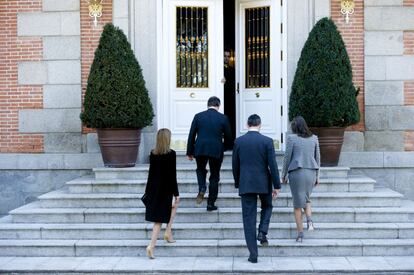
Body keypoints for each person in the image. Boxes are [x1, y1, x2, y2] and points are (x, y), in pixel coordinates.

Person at [232, 114, 281, 263]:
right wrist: (277, 185)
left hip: (246, 182)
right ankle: (262, 231)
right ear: (260, 125)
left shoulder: (239, 141)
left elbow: (235, 165)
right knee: (267, 206)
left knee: (248, 219)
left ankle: (253, 254)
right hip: (263, 182)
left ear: (247, 125)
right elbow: (272, 165)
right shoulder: (267, 141)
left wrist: (237, 182)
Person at [186, 96, 233, 211]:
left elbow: (192, 134)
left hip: (200, 148)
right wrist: (226, 148)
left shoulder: (198, 116)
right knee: (214, 176)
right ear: (218, 105)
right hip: (216, 149)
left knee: (200, 169)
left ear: (208, 105)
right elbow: (228, 136)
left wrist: (189, 151)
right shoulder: (223, 118)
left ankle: (202, 187)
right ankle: (210, 203)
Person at [281, 116, 321, 242]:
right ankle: (309, 220)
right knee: (307, 199)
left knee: (297, 205)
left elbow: (287, 158)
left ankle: (300, 234)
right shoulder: (314, 138)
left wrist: (283, 174)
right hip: (311, 173)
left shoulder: (292, 139)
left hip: (297, 173)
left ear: (295, 127)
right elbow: (318, 158)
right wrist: (317, 175)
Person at [144, 128, 180, 259]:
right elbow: (172, 176)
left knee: (167, 211)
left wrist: (147, 192)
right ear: (167, 139)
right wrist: (176, 193)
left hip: (154, 189)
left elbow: (151, 174)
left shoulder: (153, 154)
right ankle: (151, 246)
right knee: (158, 221)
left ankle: (168, 233)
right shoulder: (171, 154)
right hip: (166, 190)